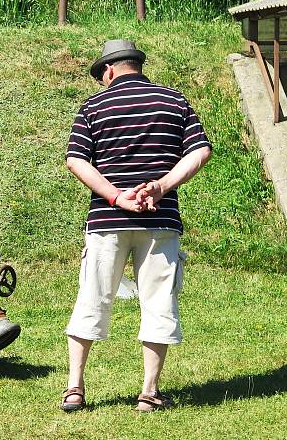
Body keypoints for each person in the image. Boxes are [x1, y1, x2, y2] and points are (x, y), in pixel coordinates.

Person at [60, 39, 212, 412]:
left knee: (92, 298)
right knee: (159, 301)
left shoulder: (93, 106)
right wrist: (160, 186)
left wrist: (115, 196)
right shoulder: (174, 100)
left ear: (109, 70)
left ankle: (75, 388)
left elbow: (75, 160)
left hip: (107, 220)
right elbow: (200, 150)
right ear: (137, 66)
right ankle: (149, 392)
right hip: (160, 219)